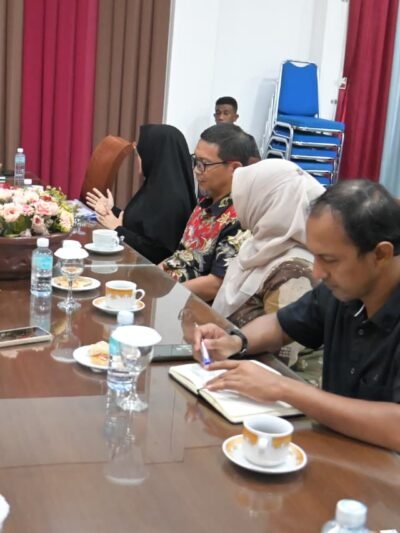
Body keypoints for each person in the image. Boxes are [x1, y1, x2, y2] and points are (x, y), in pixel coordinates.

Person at [195, 180, 400, 451]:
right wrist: (235, 342)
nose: (317, 272)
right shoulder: (344, 289)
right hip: (336, 449)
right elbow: (281, 324)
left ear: (381, 254)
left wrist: (285, 389)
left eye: (329, 259)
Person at [211, 159, 325, 365]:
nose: (238, 206)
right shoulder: (258, 245)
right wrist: (229, 342)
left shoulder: (295, 270)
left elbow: (280, 359)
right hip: (235, 359)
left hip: (277, 380)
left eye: (245, 197)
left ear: (266, 202)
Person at [160, 123, 258, 302]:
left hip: (195, 308)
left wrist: (167, 294)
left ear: (234, 168)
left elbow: (217, 284)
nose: (197, 170)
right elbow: (181, 256)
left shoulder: (240, 217)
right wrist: (152, 277)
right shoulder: (206, 201)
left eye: (204, 164)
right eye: (195, 161)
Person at [86, 124, 197, 264]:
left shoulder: (172, 200)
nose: (138, 160)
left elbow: (159, 253)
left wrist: (117, 229)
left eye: (139, 154)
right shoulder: (157, 186)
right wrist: (111, 210)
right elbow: (141, 226)